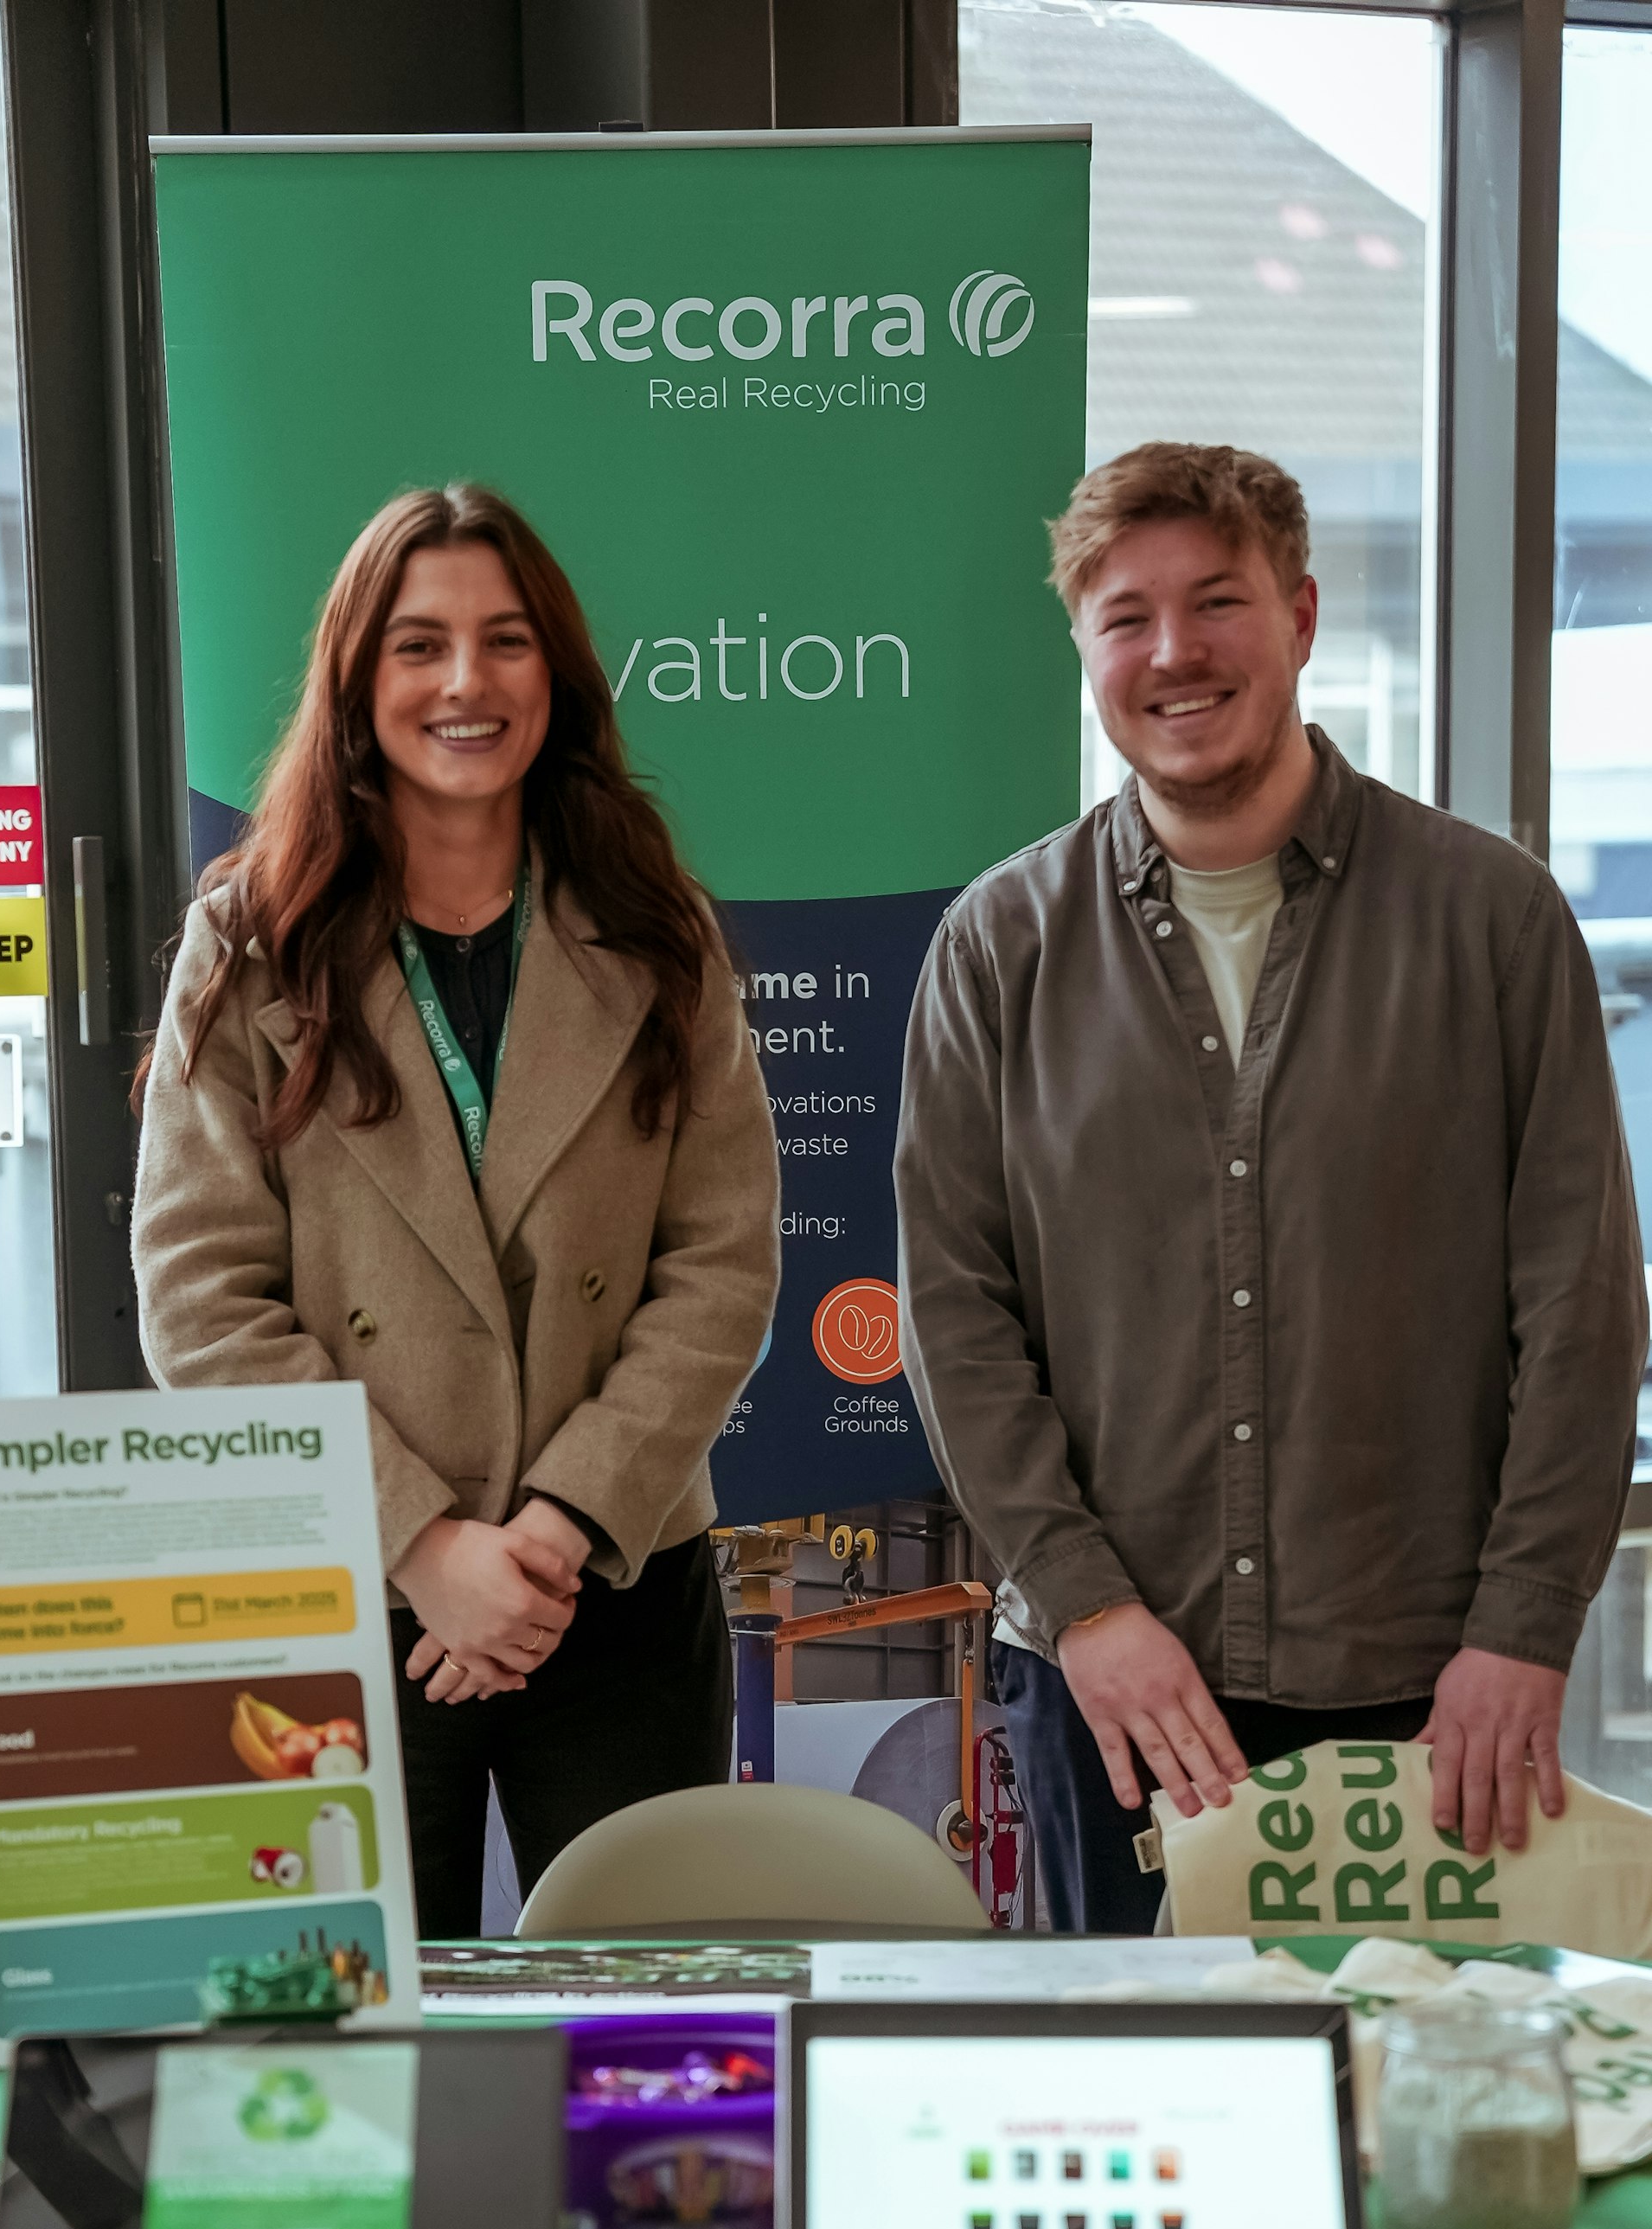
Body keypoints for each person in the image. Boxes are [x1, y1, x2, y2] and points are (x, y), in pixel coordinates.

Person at [896, 441, 1647, 1934]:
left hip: (1436, 1696)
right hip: (1116, 1698)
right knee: (1150, 2130)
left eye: (1216, 602)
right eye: (1126, 617)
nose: (1173, 652)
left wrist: (1525, 1626)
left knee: (1414, 2129)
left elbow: (1580, 1301)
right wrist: (1090, 1608)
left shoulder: (1492, 921)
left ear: (1301, 618)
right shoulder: (1000, 947)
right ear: (1086, 649)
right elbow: (955, 1316)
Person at [133, 482, 778, 1935]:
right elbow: (200, 1303)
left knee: (648, 2049)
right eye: (419, 645)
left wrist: (543, 1542)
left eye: (505, 641)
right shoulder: (252, 942)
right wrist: (427, 1549)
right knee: (334, 2052)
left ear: (557, 672)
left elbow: (724, 1266)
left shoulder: (658, 930)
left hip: (610, 1576)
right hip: (339, 1585)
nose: (467, 683)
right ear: (360, 682)